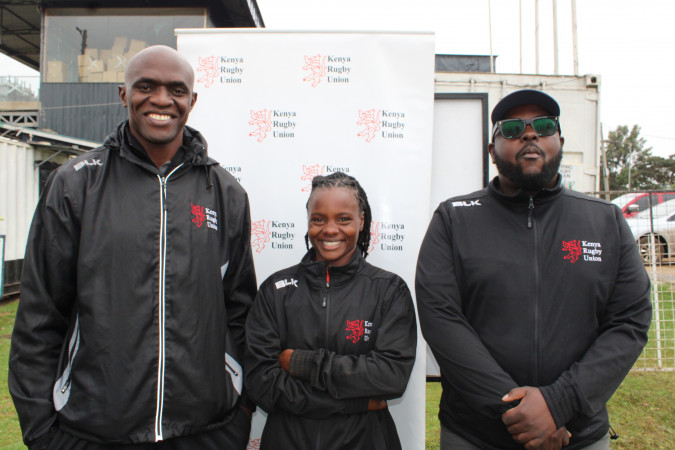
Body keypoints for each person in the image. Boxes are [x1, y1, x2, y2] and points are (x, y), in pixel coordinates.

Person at [9, 45, 257, 449]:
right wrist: (42, 432)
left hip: (205, 433)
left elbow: (240, 312)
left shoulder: (226, 193)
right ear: (124, 95)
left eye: (176, 89)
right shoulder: (75, 185)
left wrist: (238, 416)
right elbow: (39, 318)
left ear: (191, 101)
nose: (161, 100)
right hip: (92, 434)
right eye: (146, 86)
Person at [416, 89, 652, 450]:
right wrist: (521, 412)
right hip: (476, 436)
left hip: (578, 435)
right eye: (511, 129)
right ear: (492, 150)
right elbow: (441, 320)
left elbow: (629, 322)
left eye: (543, 126)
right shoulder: (453, 219)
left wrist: (560, 403)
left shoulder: (605, 221)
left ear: (560, 141)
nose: (529, 134)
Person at [244, 172, 417, 450]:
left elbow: (391, 377)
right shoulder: (275, 290)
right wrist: (358, 402)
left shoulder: (389, 291)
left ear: (362, 220)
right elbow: (260, 383)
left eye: (344, 219)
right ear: (309, 222)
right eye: (318, 219)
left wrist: (305, 363)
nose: (330, 229)